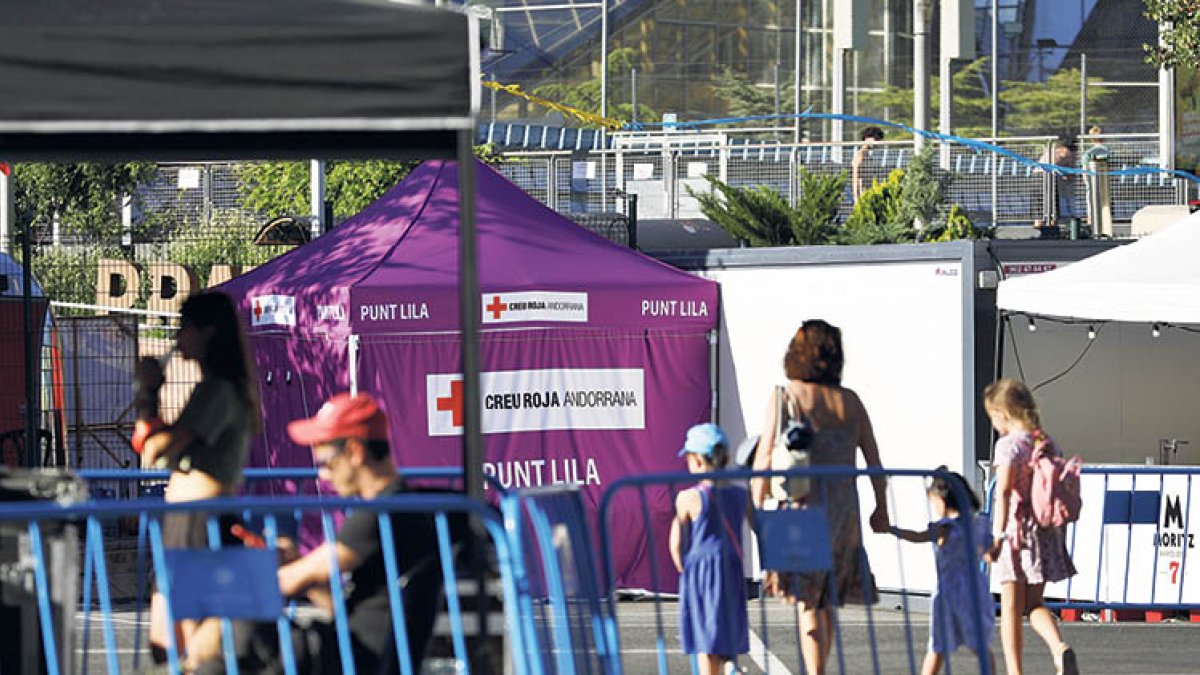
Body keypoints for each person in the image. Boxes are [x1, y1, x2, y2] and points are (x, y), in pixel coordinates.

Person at [191, 392, 444, 675]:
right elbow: (339, 603)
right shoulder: (401, 505)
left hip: (350, 658)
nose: (324, 475)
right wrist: (296, 564)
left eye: (327, 462)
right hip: (354, 651)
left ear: (354, 451)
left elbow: (289, 581)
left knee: (241, 631)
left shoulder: (378, 515)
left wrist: (215, 621)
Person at [750, 319, 889, 675]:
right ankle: (818, 671)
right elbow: (874, 462)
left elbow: (765, 456)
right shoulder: (850, 402)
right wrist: (880, 508)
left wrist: (755, 508)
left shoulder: (786, 396)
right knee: (825, 601)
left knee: (806, 602)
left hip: (801, 511)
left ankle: (815, 673)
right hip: (843, 514)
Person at [133, 291, 260, 665]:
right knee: (165, 641)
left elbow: (156, 448)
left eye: (183, 327)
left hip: (200, 521)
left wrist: (148, 394)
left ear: (207, 332)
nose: (176, 338)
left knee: (193, 645)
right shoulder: (214, 389)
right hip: (185, 519)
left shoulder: (219, 390)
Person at [983, 378, 1079, 675]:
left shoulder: (1008, 446)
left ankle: (1015, 671)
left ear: (1003, 413)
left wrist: (996, 536)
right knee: (1035, 603)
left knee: (1010, 608)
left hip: (1016, 533)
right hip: (1046, 531)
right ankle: (1058, 648)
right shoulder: (1047, 442)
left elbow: (1005, 492)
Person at [890, 468, 996, 675]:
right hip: (975, 590)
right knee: (980, 644)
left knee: (938, 646)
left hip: (949, 591)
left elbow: (917, 536)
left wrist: (892, 530)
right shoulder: (980, 524)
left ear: (942, 500)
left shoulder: (945, 527)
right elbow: (990, 554)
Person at [669, 423, 750, 675]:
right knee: (727, 631)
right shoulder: (740, 495)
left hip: (700, 573)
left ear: (698, 461)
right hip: (732, 569)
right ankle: (730, 665)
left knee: (705, 641)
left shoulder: (688, 498)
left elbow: (676, 543)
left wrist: (685, 568)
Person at [852, 126, 886, 200]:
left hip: (870, 193)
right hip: (862, 195)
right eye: (876, 139)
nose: (876, 143)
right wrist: (856, 198)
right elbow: (855, 178)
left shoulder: (868, 156)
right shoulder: (860, 155)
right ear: (867, 138)